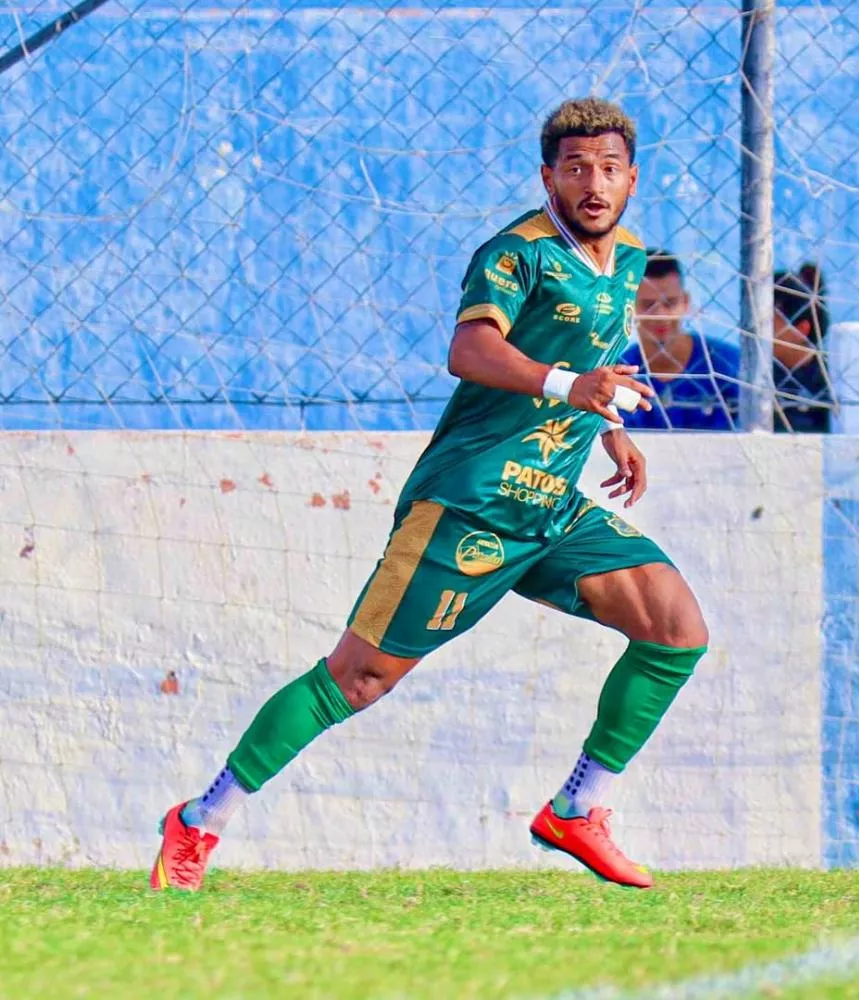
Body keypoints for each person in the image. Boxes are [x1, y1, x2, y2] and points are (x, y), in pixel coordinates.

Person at [150, 97, 709, 892]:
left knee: (676, 630)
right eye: (577, 168)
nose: (594, 184)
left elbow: (595, 348)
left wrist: (609, 421)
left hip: (553, 507)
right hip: (469, 504)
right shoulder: (515, 254)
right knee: (357, 679)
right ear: (548, 176)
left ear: (633, 180)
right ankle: (201, 819)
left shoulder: (628, 260)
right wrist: (567, 385)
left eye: (609, 169)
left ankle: (579, 808)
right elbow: (470, 350)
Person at [621, 251, 741, 430]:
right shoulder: (621, 372)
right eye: (648, 305)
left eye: (669, 303)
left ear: (685, 302)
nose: (660, 315)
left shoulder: (729, 365)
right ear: (629, 307)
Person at [772, 264, 832, 433]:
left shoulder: (830, 382)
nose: (753, 330)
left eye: (767, 323)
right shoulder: (756, 375)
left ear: (801, 329)